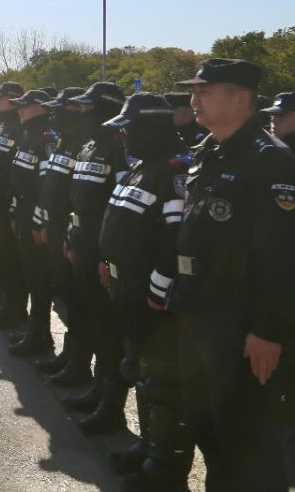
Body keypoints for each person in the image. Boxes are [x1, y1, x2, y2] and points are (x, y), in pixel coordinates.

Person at [167, 59, 295, 491]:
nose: (194, 99)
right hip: (199, 310)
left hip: (239, 323)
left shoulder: (270, 160)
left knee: (247, 436)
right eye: (194, 91)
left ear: (241, 98)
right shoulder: (209, 149)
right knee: (208, 426)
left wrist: (268, 330)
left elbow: (282, 256)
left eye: (205, 92)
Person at [96, 93, 193, 490]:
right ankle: (149, 447)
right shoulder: (142, 168)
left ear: (150, 128)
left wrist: (157, 291)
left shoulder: (174, 172)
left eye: (130, 129)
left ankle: (166, 470)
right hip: (129, 291)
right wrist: (108, 262)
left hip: (153, 299)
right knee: (140, 373)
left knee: (164, 385)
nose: (125, 137)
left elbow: (175, 240)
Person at [63, 81, 130, 434]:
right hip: (82, 242)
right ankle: (95, 386)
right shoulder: (89, 145)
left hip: (102, 250)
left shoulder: (120, 147)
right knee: (89, 316)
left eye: (90, 107)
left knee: (108, 329)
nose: (83, 113)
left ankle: (111, 405)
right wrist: (70, 235)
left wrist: (108, 255)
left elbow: (118, 208)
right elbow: (76, 196)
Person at [34, 87, 92, 382]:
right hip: (56, 228)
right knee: (69, 298)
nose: (55, 115)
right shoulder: (64, 142)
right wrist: (44, 222)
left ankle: (79, 365)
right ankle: (70, 356)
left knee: (80, 304)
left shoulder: (85, 144)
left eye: (60, 110)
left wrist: (70, 236)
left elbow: (79, 198)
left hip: (73, 234)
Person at [7, 88, 54, 356]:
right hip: (24, 214)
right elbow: (19, 182)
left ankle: (40, 336)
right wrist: (15, 210)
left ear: (41, 108)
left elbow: (46, 188)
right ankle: (34, 330)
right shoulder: (28, 137)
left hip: (35, 219)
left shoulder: (45, 139)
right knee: (29, 275)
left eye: (25, 106)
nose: (20, 110)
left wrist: (38, 223)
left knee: (39, 279)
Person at [0, 82, 28, 329]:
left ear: (13, 99)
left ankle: (14, 310)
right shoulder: (2, 124)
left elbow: (18, 174)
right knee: (2, 254)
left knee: (12, 260)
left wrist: (12, 206)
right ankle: (4, 303)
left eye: (1, 98)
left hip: (9, 201)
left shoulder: (19, 127)